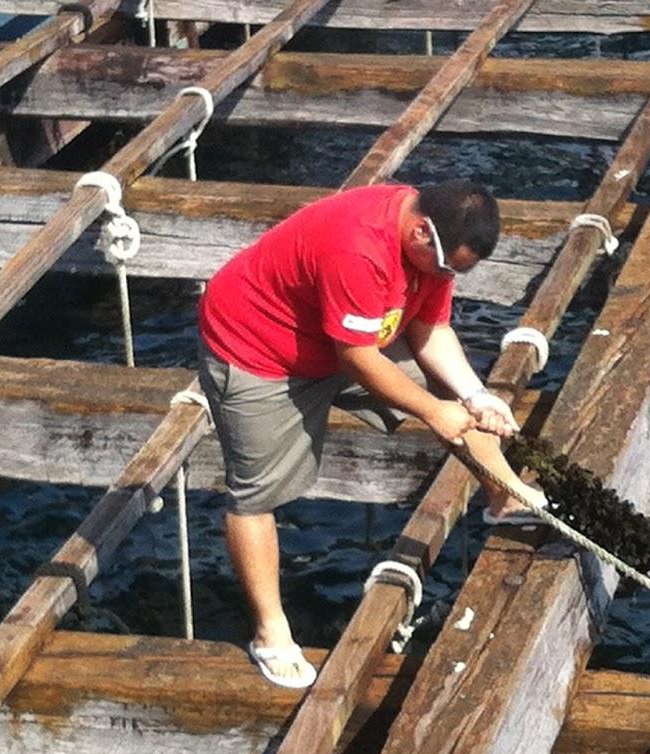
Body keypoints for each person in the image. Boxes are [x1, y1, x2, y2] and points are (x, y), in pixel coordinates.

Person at [196, 179, 539, 689]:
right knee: (254, 492)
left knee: (458, 403)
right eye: (447, 268)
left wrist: (474, 396)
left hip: (351, 334)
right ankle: (271, 632)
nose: (449, 277)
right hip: (259, 349)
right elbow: (355, 359)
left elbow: (430, 329)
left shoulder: (434, 243)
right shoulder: (358, 247)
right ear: (422, 232)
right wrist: (431, 411)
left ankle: (505, 496)